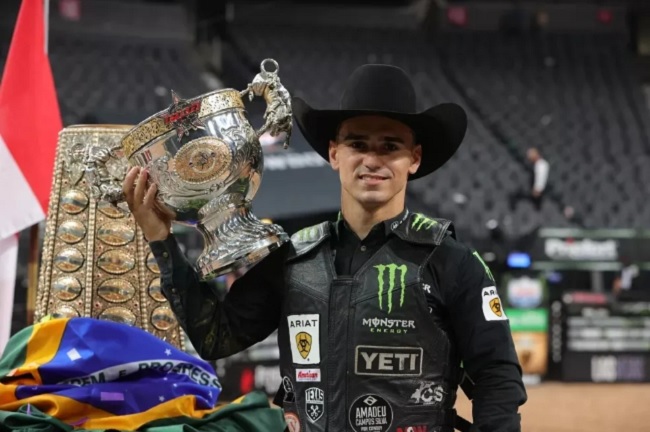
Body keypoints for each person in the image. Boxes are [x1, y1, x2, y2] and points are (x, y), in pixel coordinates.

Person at [124, 64, 527, 432]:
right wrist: (163, 240)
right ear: (334, 154)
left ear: (414, 159)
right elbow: (215, 337)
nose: (372, 159)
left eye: (390, 146)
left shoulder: (452, 261)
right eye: (358, 144)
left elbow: (497, 378)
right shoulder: (293, 257)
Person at [508, 147, 549, 212]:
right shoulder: (536, 165)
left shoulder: (541, 165)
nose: (529, 158)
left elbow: (540, 180)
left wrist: (536, 190)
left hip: (536, 194)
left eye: (530, 156)